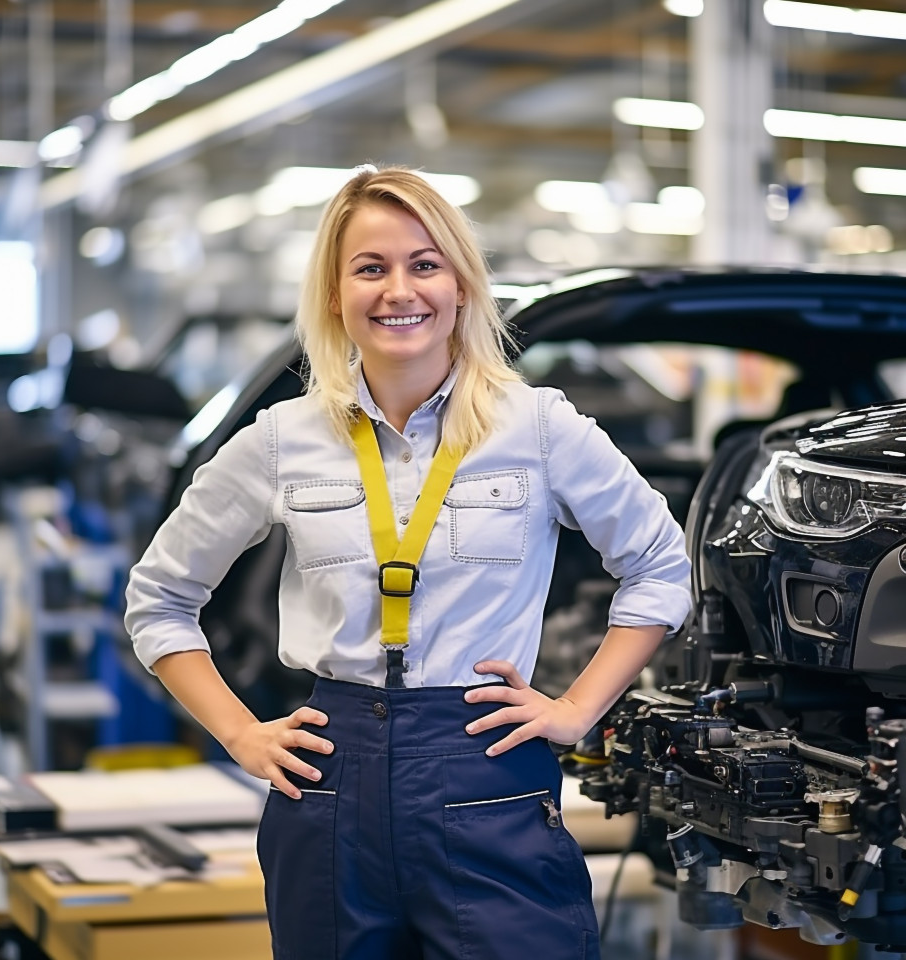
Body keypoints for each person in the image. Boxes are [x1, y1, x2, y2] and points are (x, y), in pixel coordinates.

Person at [125, 164, 691, 960]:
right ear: (334, 294)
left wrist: (577, 710)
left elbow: (662, 565)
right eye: (370, 268)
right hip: (329, 784)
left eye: (425, 264)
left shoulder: (538, 427)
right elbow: (158, 598)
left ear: (460, 285)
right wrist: (241, 734)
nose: (400, 290)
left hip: (486, 770)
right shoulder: (281, 440)